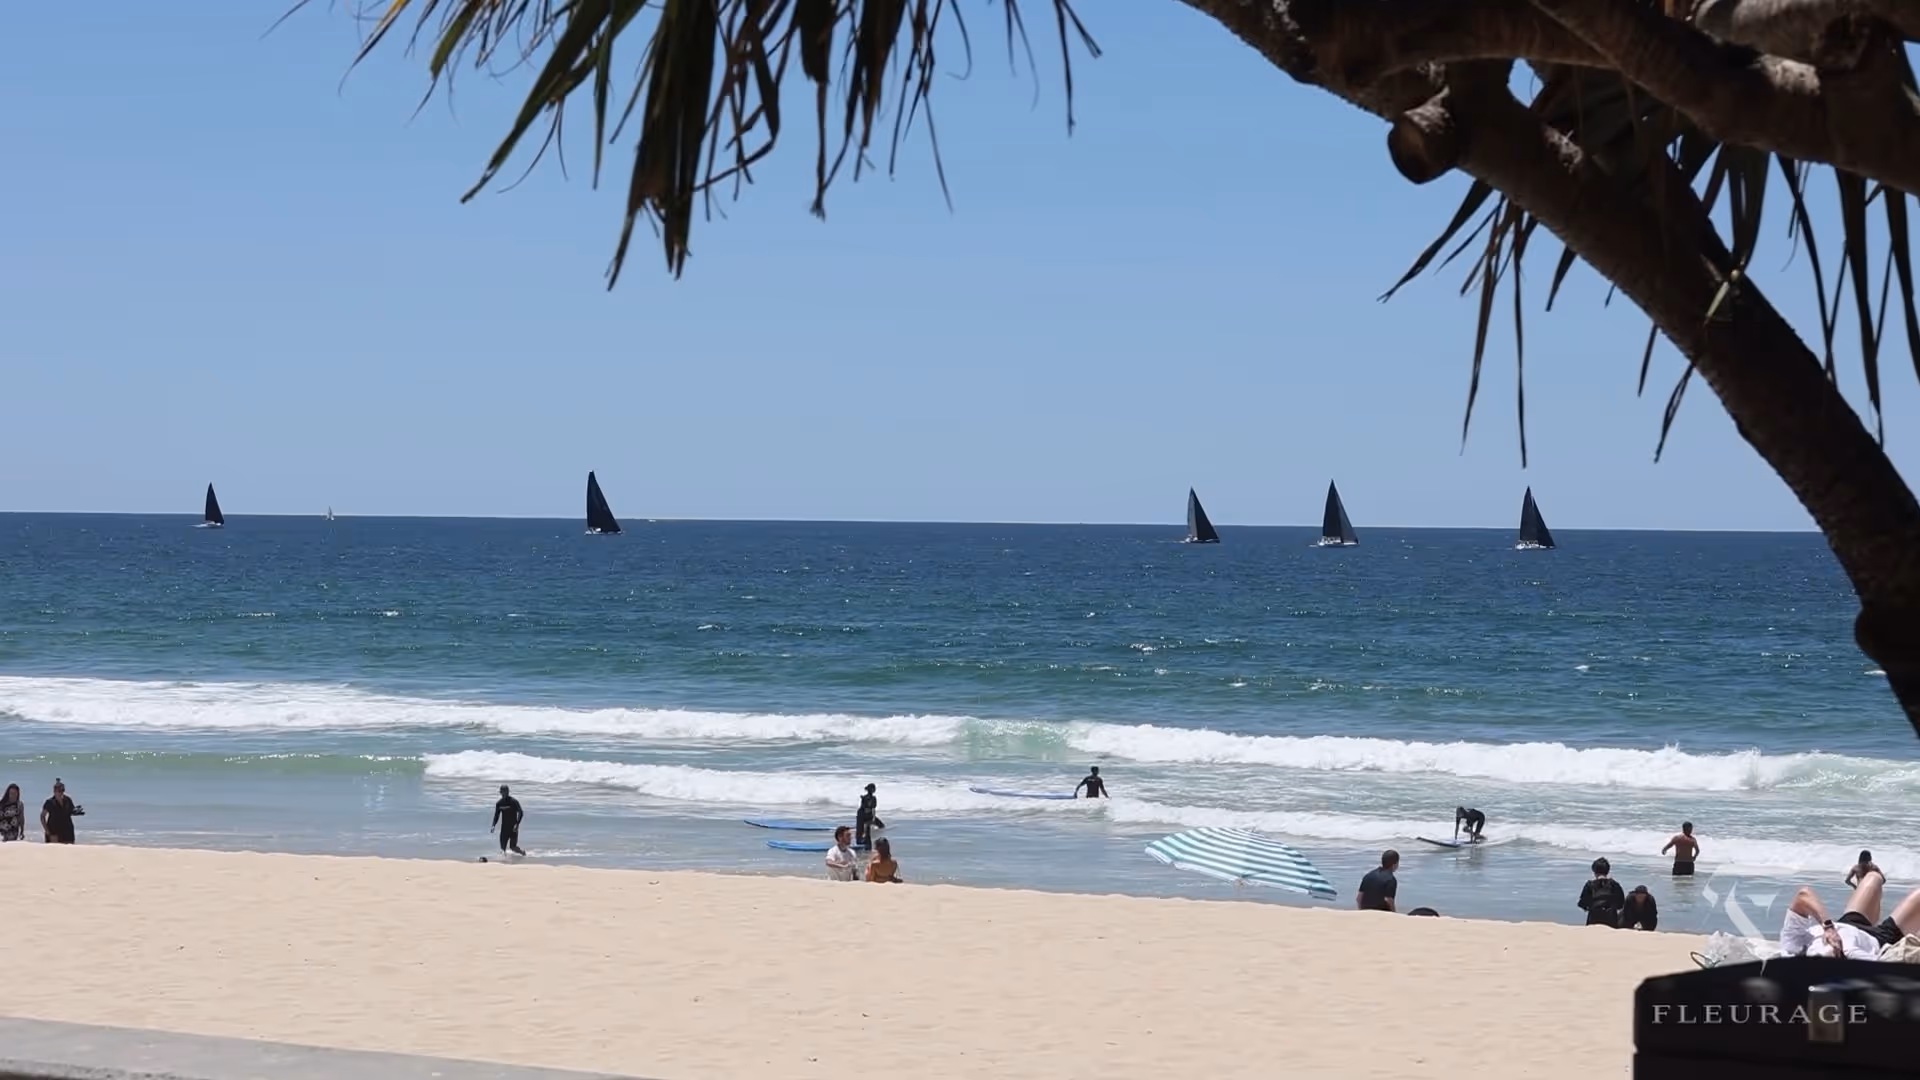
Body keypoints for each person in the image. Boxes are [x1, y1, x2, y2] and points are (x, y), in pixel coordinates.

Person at [1779, 869, 1920, 959]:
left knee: (1873, 876)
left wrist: (1828, 927)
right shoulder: (1853, 958)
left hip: (1846, 924)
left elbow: (1803, 895)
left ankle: (1864, 880)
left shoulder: (1792, 947)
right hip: (1879, 939)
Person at [1578, 858, 1625, 927]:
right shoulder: (1614, 884)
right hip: (1611, 919)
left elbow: (1582, 903)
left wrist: (1588, 907)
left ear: (1594, 871)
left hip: (1594, 918)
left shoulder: (1589, 885)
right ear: (1607, 871)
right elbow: (1621, 903)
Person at [40, 778, 82, 845]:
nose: (61, 793)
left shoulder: (68, 800)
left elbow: (71, 811)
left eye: (62, 790)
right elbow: (42, 817)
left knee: (68, 849)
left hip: (68, 830)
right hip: (54, 831)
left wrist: (77, 812)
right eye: (59, 791)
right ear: (54, 791)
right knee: (54, 849)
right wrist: (48, 832)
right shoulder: (49, 802)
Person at [490, 785, 525, 856]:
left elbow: (521, 812)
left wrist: (517, 824)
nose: (503, 793)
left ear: (508, 792)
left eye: (505, 792)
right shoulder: (499, 803)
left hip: (513, 828)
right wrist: (493, 825)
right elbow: (496, 815)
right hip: (504, 829)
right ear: (500, 793)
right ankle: (504, 861)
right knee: (502, 849)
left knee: (513, 847)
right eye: (502, 792)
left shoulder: (514, 801)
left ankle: (523, 853)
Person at [855, 784, 885, 849]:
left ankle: (865, 841)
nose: (874, 790)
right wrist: (872, 818)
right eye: (873, 788)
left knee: (881, 825)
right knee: (860, 830)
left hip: (868, 815)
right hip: (862, 814)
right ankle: (861, 841)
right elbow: (866, 808)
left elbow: (872, 809)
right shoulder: (865, 798)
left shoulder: (872, 798)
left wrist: (873, 818)